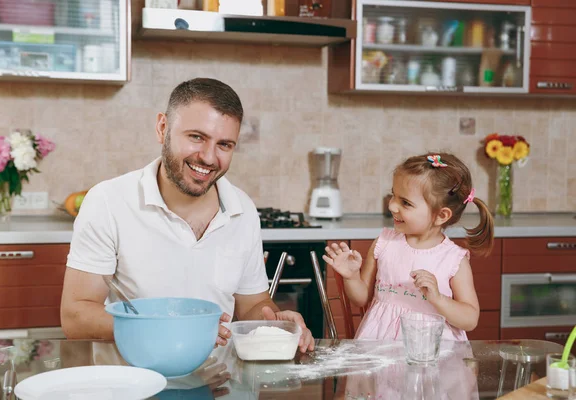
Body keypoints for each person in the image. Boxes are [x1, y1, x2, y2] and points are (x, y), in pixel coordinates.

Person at [60, 78, 314, 353]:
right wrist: (166, 329)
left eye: (224, 145)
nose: (208, 157)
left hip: (220, 383)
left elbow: (252, 304)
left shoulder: (242, 209)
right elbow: (76, 317)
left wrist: (274, 323)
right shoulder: (108, 201)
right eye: (197, 137)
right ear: (162, 128)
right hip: (133, 380)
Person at [324, 153, 494, 341]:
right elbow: (360, 298)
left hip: (433, 354)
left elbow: (470, 320)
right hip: (380, 348)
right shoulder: (384, 243)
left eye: (405, 202)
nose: (393, 206)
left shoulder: (454, 259)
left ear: (441, 215)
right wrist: (351, 276)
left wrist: (438, 299)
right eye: (393, 196)